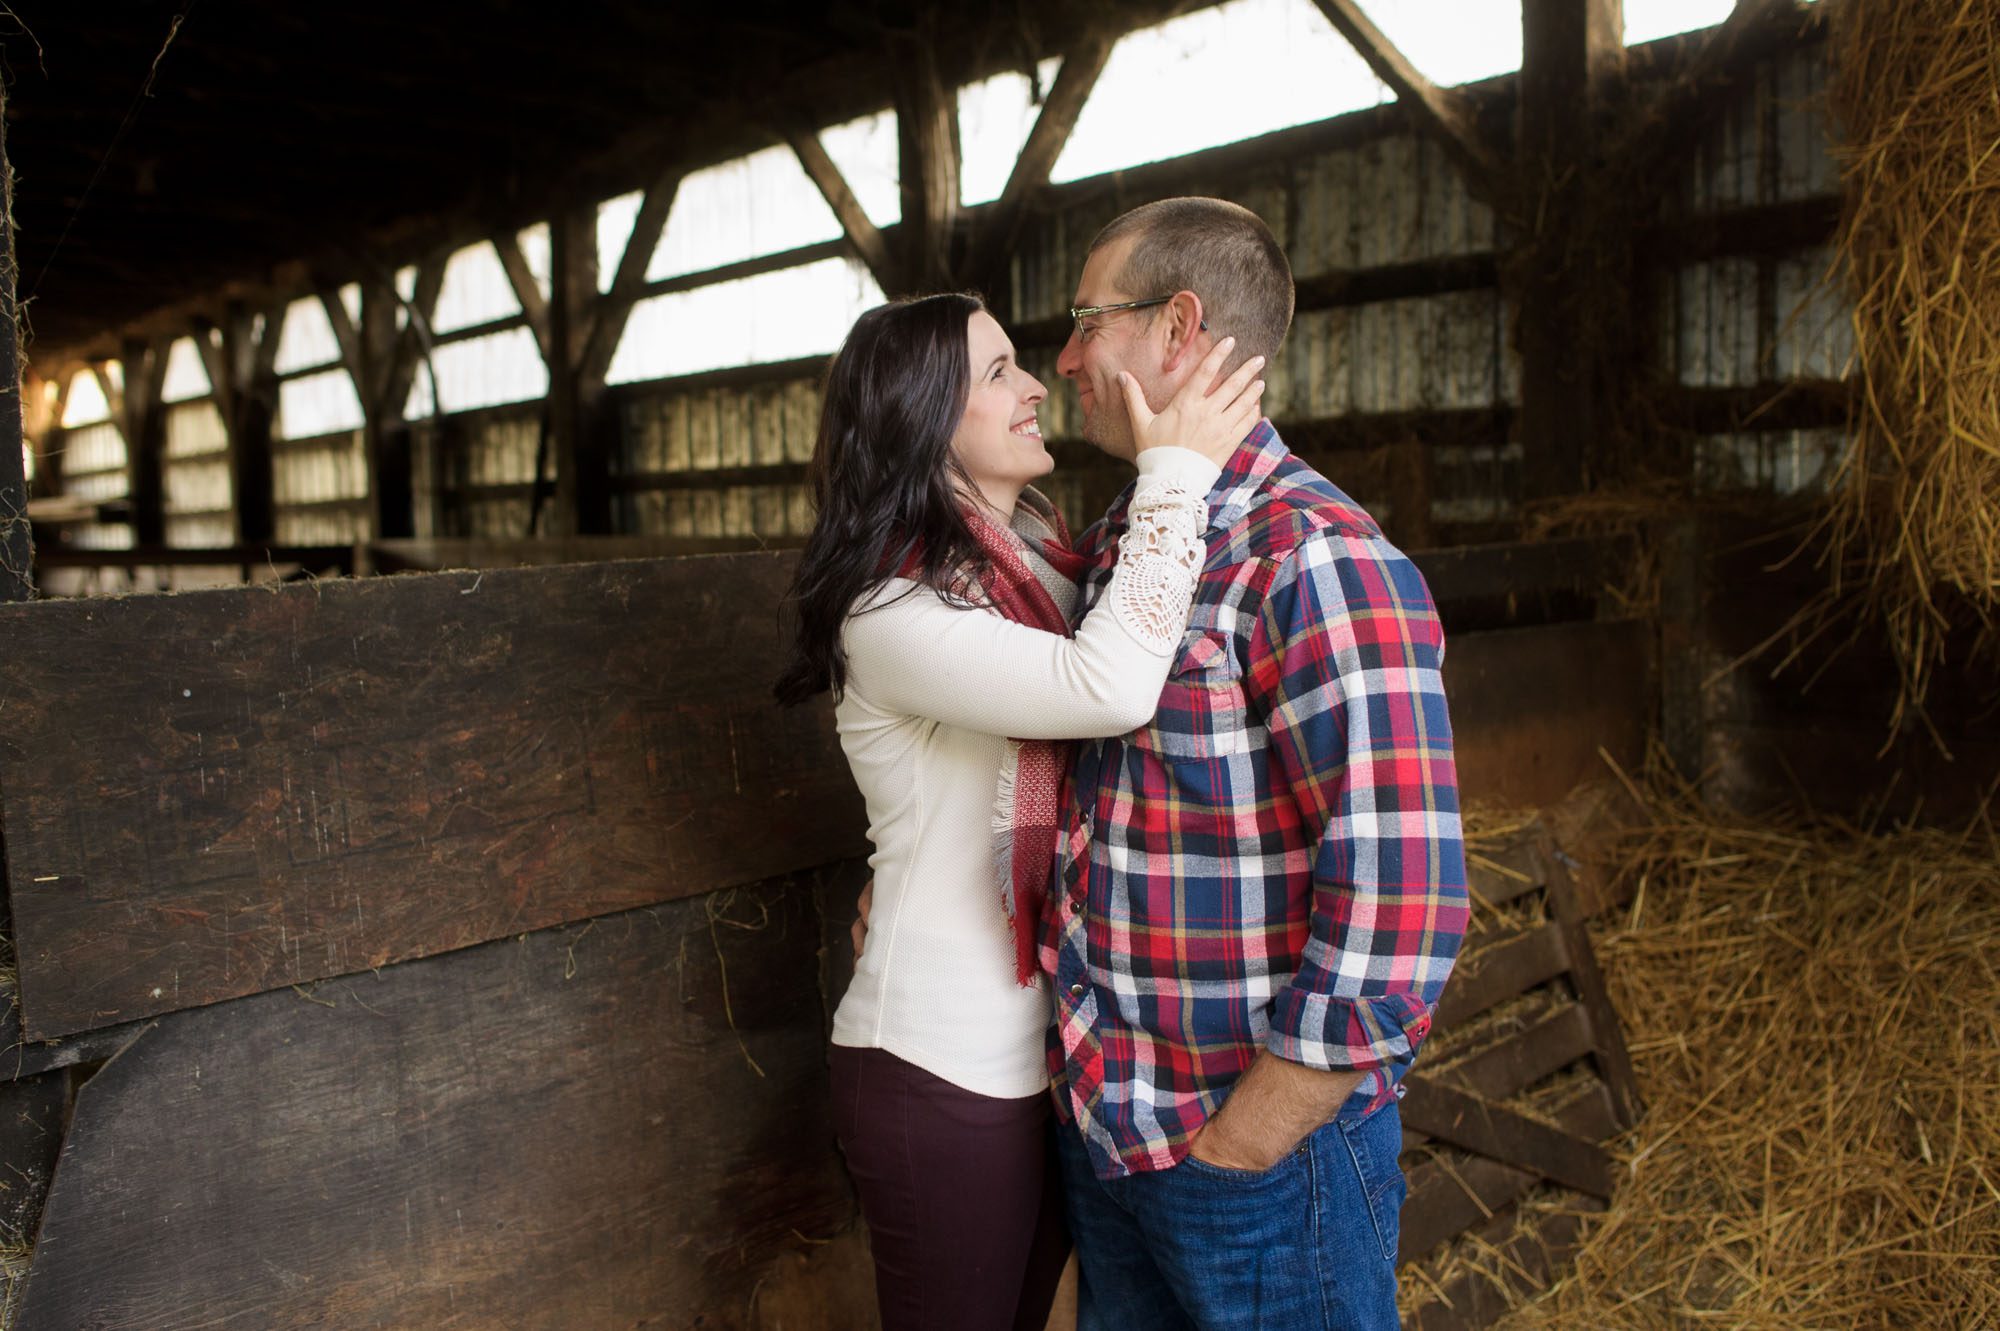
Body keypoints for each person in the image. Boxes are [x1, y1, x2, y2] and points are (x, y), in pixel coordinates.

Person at [774, 291, 1266, 1331]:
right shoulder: (893, 613)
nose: (1036, 381)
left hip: (1043, 1059)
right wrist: (1175, 472)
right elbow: (1109, 687)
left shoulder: (1037, 570)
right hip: (935, 1065)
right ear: (924, 417)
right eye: (997, 371)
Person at [1041, 197, 1470, 1330]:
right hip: (1112, 1135)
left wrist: (1244, 1142)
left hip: (1253, 1156)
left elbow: (1403, 902)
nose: (1066, 356)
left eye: (1086, 321)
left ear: (1176, 328)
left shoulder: (1311, 556)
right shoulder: (1123, 548)